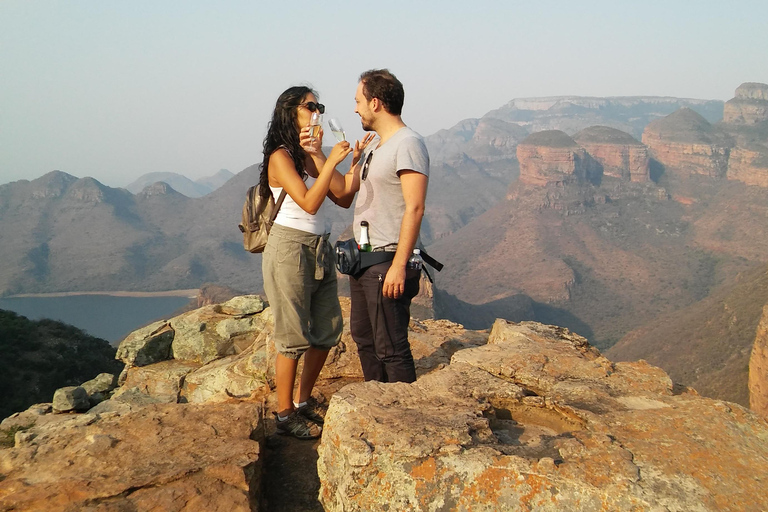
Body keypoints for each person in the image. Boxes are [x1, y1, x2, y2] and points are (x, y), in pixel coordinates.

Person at [260, 85, 370, 439]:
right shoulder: (280, 157)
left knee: (326, 329)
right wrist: (330, 161)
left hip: (319, 246)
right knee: (292, 334)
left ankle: (304, 402)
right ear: (290, 112)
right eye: (310, 106)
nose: (317, 112)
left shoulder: (310, 155)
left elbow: (341, 197)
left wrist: (334, 159)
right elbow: (308, 202)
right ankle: (284, 413)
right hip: (289, 248)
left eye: (319, 106)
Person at [349, 69, 430, 383]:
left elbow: (415, 207)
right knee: (364, 339)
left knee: (391, 347)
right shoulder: (376, 146)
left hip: (387, 262)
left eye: (359, 101)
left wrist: (399, 266)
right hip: (364, 260)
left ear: (376, 103)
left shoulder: (408, 143)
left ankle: (406, 415)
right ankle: (375, 402)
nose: (356, 108)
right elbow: (344, 194)